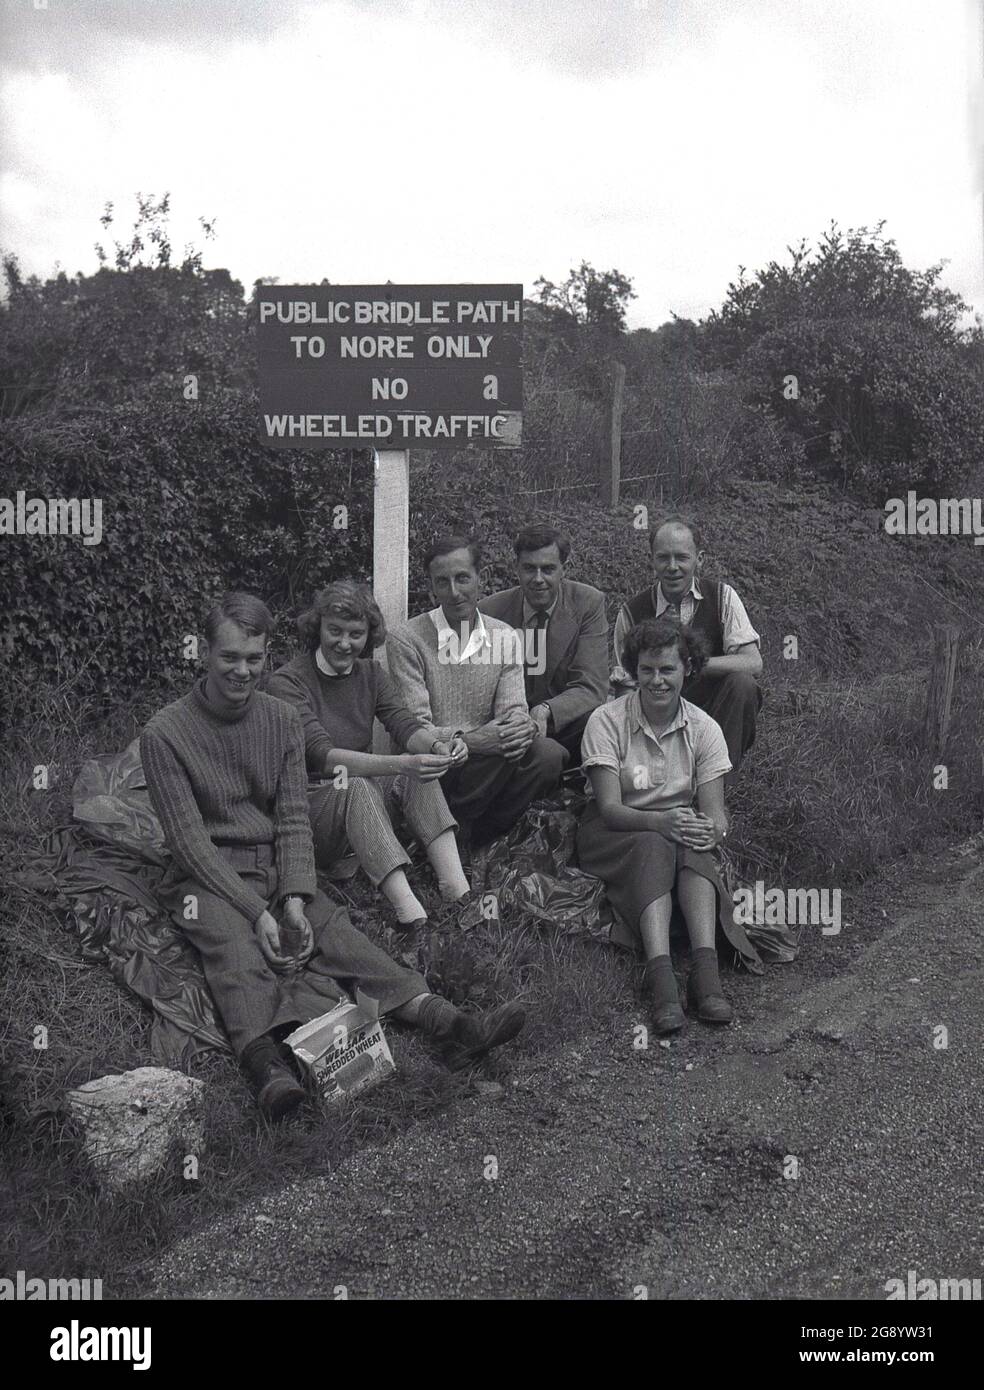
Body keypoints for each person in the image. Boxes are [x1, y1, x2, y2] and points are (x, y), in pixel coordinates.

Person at [140, 591, 526, 1121]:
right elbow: (189, 844)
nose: (242, 671)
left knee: (337, 932)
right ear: (204, 652)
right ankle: (266, 1069)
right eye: (229, 658)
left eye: (254, 659)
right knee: (231, 947)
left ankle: (447, 1022)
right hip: (205, 875)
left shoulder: (278, 718)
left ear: (266, 653)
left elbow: (294, 818)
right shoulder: (164, 733)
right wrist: (256, 914)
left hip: (274, 861)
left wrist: (295, 898)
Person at [577, 615, 761, 1036]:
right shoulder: (606, 721)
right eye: (647, 670)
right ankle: (661, 978)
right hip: (616, 830)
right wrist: (662, 823)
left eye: (668, 670)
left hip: (674, 823)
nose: (657, 681)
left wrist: (711, 831)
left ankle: (705, 971)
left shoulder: (704, 728)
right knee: (655, 845)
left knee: (693, 846)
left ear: (688, 670)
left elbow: (716, 812)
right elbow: (608, 808)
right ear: (633, 671)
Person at [266, 580, 478, 934]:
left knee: (414, 775)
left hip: (362, 810)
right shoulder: (288, 682)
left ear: (369, 635)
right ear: (317, 627)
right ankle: (411, 915)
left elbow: (403, 723)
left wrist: (437, 747)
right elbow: (323, 756)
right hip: (309, 817)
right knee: (358, 783)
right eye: (335, 631)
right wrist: (401, 763)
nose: (345, 643)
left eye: (356, 634)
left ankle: (458, 891)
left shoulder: (370, 674)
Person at [385, 535, 567, 849]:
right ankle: (445, 835)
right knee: (484, 756)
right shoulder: (407, 639)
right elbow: (413, 727)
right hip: (437, 760)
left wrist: (520, 726)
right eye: (442, 582)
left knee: (548, 755)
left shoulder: (504, 636)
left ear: (479, 579)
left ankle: (482, 837)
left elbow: (513, 710)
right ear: (431, 587)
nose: (454, 592)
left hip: (489, 761)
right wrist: (470, 740)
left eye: (462, 579)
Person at [611, 515, 762, 777]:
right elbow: (626, 682)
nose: (672, 567)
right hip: (656, 713)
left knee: (743, 684)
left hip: (712, 709)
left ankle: (716, 782)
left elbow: (753, 662)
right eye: (663, 558)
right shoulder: (632, 612)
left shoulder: (722, 597)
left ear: (699, 559)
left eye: (681, 557)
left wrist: (690, 665)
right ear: (652, 561)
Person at [478, 524, 608, 765]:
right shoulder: (490, 611)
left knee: (600, 718)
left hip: (563, 722)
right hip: (509, 728)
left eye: (548, 569)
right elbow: (480, 687)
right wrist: (515, 722)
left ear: (563, 570)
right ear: (516, 568)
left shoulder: (588, 603)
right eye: (529, 569)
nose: (538, 579)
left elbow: (591, 686)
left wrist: (545, 710)